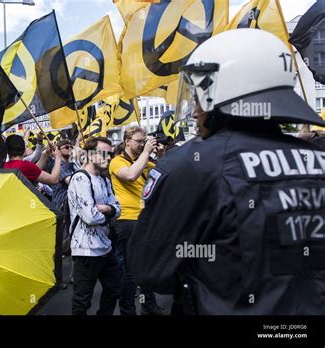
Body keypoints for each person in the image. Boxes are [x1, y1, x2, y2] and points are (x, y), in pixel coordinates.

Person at [128, 29, 325, 315]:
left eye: (201, 95)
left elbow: (149, 266)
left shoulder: (194, 164)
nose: (195, 110)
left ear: (229, 91)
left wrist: (208, 256)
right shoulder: (318, 159)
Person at [109, 126, 165, 315]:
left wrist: (162, 155)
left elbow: (166, 175)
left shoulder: (145, 162)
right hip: (127, 220)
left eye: (144, 141)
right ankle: (127, 310)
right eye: (139, 141)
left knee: (147, 266)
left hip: (144, 220)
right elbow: (131, 175)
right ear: (127, 142)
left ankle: (149, 306)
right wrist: (147, 152)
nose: (142, 144)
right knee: (131, 271)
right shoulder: (116, 162)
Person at [68, 137, 121, 315]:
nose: (109, 158)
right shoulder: (80, 179)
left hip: (105, 247)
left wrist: (106, 208)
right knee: (82, 300)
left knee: (114, 289)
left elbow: (118, 208)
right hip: (86, 251)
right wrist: (109, 214)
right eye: (105, 153)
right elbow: (90, 216)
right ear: (91, 155)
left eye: (111, 154)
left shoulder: (105, 180)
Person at [51, 139, 76, 210]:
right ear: (58, 150)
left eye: (71, 147)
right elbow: (70, 181)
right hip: (62, 204)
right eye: (66, 147)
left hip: (70, 203)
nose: (70, 149)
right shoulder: (59, 165)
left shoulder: (72, 164)